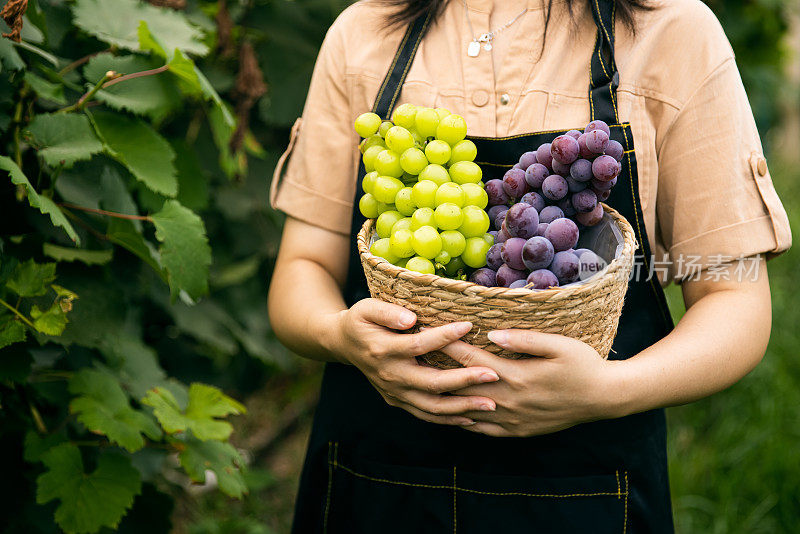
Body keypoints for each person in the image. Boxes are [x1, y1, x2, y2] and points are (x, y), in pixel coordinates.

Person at [267, 0, 791, 531]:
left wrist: (611, 390)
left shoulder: (673, 33)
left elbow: (737, 300)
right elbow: (301, 268)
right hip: (373, 481)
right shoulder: (366, 32)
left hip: (587, 491)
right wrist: (338, 335)